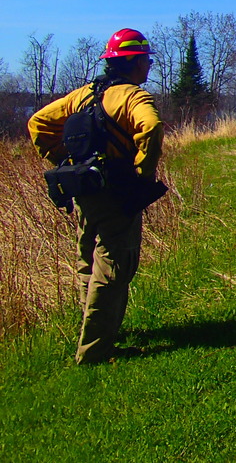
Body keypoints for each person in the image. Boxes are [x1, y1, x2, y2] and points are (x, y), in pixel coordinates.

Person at [27, 28, 165, 365]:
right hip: (118, 192)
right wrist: (142, 175)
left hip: (86, 190)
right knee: (115, 266)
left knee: (88, 261)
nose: (148, 67)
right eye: (146, 60)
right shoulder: (133, 96)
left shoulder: (83, 95)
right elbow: (151, 127)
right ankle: (95, 352)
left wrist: (66, 162)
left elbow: (38, 123)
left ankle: (93, 329)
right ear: (133, 63)